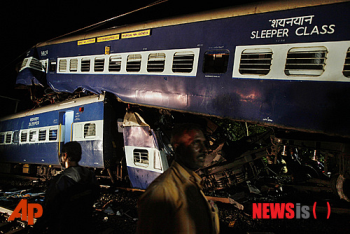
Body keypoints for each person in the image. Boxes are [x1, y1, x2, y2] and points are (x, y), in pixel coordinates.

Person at [136, 124, 220, 234]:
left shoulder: (193, 185)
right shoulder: (162, 190)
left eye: (204, 143)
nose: (204, 150)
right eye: (196, 143)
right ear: (178, 148)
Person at [30, 141, 100, 234]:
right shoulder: (90, 175)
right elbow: (96, 195)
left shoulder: (60, 180)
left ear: (65, 155)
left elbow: (48, 211)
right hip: (85, 226)